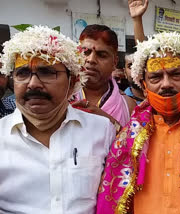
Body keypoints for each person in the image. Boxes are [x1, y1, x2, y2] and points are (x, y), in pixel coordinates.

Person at [96, 32, 180, 214]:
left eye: (175, 74)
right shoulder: (127, 139)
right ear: (144, 85)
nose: (166, 84)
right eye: (155, 77)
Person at [0, 25, 116, 213]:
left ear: (72, 82)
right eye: (22, 73)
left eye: (47, 72)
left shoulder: (102, 130)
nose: (33, 84)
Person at [72, 24, 136, 127]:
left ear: (114, 62)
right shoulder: (61, 97)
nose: (91, 59)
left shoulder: (128, 106)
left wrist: (108, 122)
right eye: (85, 52)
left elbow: (133, 142)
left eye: (101, 55)